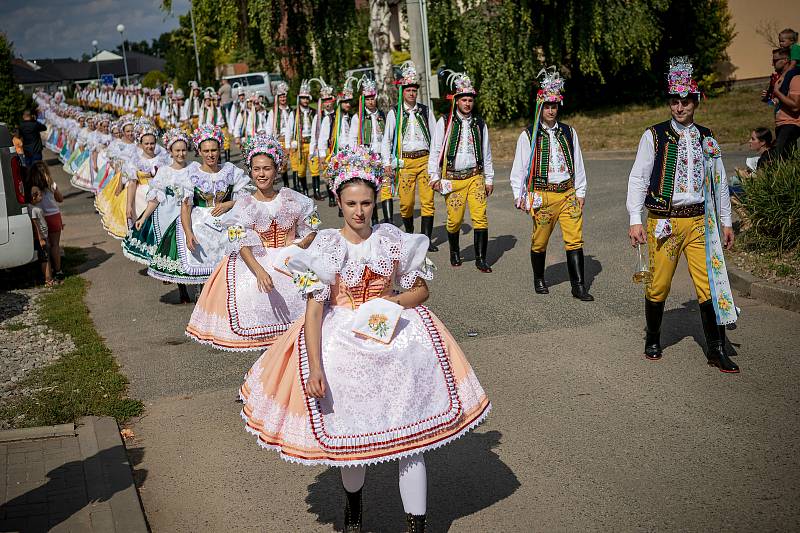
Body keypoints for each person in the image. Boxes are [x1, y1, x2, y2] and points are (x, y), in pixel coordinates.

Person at [239, 145, 490, 532]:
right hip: (343, 347)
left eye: (367, 203)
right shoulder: (325, 246)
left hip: (398, 341)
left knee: (414, 438)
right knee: (353, 439)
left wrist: (393, 300)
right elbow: (313, 310)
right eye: (352, 202)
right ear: (339, 201)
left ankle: (416, 526)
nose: (360, 211)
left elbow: (421, 291)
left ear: (376, 201)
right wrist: (316, 368)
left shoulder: (393, 239)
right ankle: (354, 511)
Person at [627, 57, 739, 373]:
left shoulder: (708, 137)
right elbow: (638, 178)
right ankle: (652, 336)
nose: (679, 108)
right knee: (659, 284)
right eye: (674, 102)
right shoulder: (654, 135)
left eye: (685, 101)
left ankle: (716, 349)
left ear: (695, 102)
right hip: (664, 220)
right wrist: (636, 218)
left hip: (700, 223)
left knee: (709, 285)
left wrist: (726, 221)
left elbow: (719, 181)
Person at [186, 133, 320, 350]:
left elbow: (312, 229)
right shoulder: (244, 204)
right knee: (256, 308)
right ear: (250, 171)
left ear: (277, 169)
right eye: (256, 169)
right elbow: (242, 245)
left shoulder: (294, 199)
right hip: (257, 260)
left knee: (305, 320)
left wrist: (299, 246)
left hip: (291, 261)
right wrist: (259, 271)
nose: (261, 174)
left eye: (267, 168)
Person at [509, 67, 592, 300]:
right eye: (547, 106)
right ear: (540, 107)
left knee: (575, 239)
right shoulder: (528, 135)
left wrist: (580, 190)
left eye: (554, 106)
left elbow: (578, 163)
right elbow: (518, 169)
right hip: (542, 195)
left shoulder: (569, 132)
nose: (551, 110)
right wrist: (520, 195)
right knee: (540, 240)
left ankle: (579, 286)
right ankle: (539, 277)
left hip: (568, 193)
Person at [429, 71, 494, 273]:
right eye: (464, 100)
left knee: (480, 217)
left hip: (475, 176)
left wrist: (489, 178)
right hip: (453, 179)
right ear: (456, 101)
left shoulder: (480, 124)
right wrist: (434, 176)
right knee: (455, 219)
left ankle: (481, 258)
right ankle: (455, 251)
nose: (467, 103)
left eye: (470, 100)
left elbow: (487, 151)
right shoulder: (445, 122)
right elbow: (436, 150)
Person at [175, 125, 252, 284]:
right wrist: (188, 232)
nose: (211, 155)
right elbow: (186, 207)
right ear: (200, 152)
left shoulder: (230, 171)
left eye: (214, 150)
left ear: (220, 150)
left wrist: (228, 204)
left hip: (227, 221)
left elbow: (247, 197)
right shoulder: (191, 174)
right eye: (206, 151)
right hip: (200, 223)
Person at [381, 61, 438, 250]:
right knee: (406, 204)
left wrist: (436, 161)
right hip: (404, 162)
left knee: (428, 201)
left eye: (414, 90)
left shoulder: (425, 111)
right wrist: (387, 162)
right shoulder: (394, 113)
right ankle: (410, 236)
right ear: (402, 92)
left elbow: (436, 137)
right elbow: (387, 140)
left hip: (425, 159)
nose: (412, 93)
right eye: (408, 90)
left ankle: (426, 240)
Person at [144, 129, 196, 301]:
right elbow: (156, 197)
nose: (181, 153)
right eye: (177, 150)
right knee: (176, 251)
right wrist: (143, 217)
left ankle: (197, 285)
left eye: (183, 150)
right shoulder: (165, 171)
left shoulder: (194, 168)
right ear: (170, 152)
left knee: (192, 249)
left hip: (190, 212)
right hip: (169, 213)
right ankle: (182, 290)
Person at [121, 122, 172, 264]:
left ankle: (162, 259)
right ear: (140, 143)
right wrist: (129, 206)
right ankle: (152, 258)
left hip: (160, 196)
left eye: (152, 143)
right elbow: (131, 183)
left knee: (161, 227)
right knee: (147, 230)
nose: (149, 146)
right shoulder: (135, 160)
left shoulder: (163, 158)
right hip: (141, 197)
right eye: (146, 143)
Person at [348, 76, 389, 222]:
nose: (371, 101)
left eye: (373, 98)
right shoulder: (358, 117)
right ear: (364, 99)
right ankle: (375, 221)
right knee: (371, 191)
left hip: (383, 157)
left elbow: (389, 136)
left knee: (386, 189)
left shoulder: (382, 115)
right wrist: (357, 157)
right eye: (368, 98)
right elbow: (352, 139)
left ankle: (389, 221)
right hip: (367, 159)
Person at [27, 162, 65, 281]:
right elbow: (60, 199)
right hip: (54, 216)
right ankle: (58, 270)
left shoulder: (32, 188)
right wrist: (55, 190)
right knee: (55, 245)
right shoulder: (51, 185)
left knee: (45, 247)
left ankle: (48, 274)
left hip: (40, 218)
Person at [765, 47, 800, 158]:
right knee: (786, 158)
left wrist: (777, 92)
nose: (772, 64)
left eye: (775, 60)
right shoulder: (781, 79)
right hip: (781, 124)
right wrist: (770, 98)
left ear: (785, 60)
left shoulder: (795, 78)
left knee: (774, 156)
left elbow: (795, 106)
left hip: (790, 124)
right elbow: (780, 102)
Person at [289, 79, 322, 197]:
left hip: (312, 144)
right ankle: (305, 191)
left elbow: (318, 128)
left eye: (307, 98)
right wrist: (290, 143)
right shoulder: (294, 113)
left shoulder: (314, 112)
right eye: (303, 98)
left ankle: (317, 191)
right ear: (299, 99)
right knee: (301, 170)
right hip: (300, 144)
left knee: (315, 169)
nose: (305, 100)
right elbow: (289, 129)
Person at [265, 81, 294, 191]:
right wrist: (270, 142)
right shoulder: (274, 112)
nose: (283, 99)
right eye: (281, 97)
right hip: (279, 140)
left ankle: (294, 186)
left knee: (295, 164)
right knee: (281, 165)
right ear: (278, 98)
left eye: (284, 97)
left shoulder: (290, 110)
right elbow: (269, 127)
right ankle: (285, 186)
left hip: (291, 140)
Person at [27, 184, 54, 286]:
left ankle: (48, 278)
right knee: (45, 258)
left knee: (45, 257)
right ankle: (48, 280)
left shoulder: (31, 207)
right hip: (42, 237)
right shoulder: (34, 210)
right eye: (40, 195)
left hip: (43, 236)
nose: (41, 197)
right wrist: (40, 238)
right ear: (34, 197)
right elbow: (36, 226)